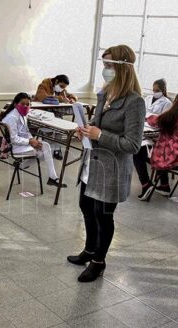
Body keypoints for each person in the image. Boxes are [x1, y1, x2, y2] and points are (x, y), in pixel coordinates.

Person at [67, 45, 145, 282]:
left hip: (111, 169)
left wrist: (100, 135)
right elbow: (97, 123)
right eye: (103, 65)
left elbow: (132, 144)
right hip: (92, 164)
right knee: (86, 208)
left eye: (109, 66)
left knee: (103, 216)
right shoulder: (104, 94)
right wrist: (85, 128)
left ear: (123, 68)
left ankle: (99, 262)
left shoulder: (134, 102)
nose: (105, 70)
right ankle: (89, 250)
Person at [0, 92, 66, 188]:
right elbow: (13, 139)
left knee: (45, 148)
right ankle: (51, 177)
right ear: (15, 104)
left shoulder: (22, 115)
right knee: (44, 152)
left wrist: (31, 139)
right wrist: (30, 141)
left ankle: (52, 177)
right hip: (11, 148)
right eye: (22, 104)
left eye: (28, 104)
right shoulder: (12, 117)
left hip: (19, 144)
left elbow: (26, 132)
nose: (25, 106)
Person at [134, 79, 173, 200]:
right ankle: (164, 184)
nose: (155, 92)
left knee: (138, 152)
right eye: (154, 89)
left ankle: (147, 184)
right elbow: (141, 113)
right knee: (139, 149)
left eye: (157, 90)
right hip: (144, 130)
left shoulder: (167, 103)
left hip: (155, 135)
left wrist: (151, 119)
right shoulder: (147, 99)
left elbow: (163, 122)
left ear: (163, 90)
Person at [34, 75, 77, 160]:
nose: (61, 89)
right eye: (61, 86)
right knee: (48, 129)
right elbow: (43, 97)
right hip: (42, 113)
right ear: (56, 81)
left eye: (63, 87)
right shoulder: (43, 85)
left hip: (54, 112)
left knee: (60, 128)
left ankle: (57, 150)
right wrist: (61, 98)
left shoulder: (61, 89)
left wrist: (73, 99)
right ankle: (47, 150)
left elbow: (70, 95)